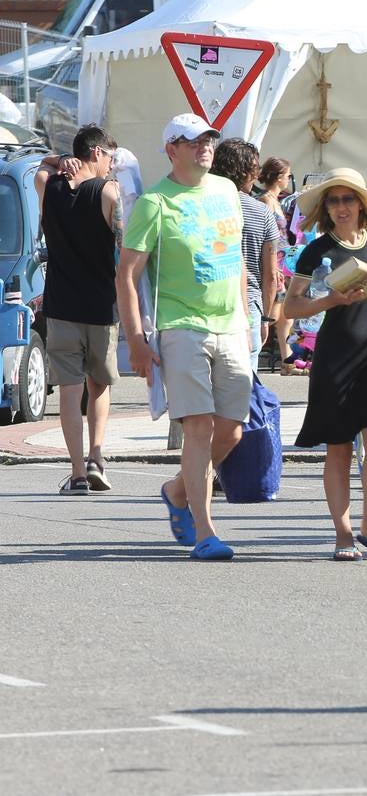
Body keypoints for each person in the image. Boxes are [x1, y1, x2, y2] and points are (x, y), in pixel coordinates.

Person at [116, 114, 250, 561]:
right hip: (180, 326)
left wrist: (251, 317)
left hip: (231, 324)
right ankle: (205, 533)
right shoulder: (154, 202)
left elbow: (236, 258)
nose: (204, 148)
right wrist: (136, 338)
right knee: (199, 427)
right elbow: (127, 275)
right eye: (193, 142)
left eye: (208, 140)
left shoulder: (226, 190)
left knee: (231, 430)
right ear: (172, 149)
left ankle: (177, 490)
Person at [283, 168, 367, 561]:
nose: (340, 207)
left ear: (360, 204)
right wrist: (328, 301)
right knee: (337, 448)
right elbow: (291, 306)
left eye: (347, 199)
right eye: (333, 201)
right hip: (334, 355)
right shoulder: (316, 251)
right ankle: (343, 533)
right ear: (325, 207)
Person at [42, 125, 120, 495]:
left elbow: (41, 164)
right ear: (96, 154)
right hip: (101, 305)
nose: (111, 164)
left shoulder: (48, 186)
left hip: (60, 304)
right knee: (99, 385)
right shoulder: (108, 192)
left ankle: (75, 473)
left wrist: (62, 161)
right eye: (109, 156)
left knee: (70, 392)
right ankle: (96, 458)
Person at [213, 138, 279, 371]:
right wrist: (266, 318)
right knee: (242, 388)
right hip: (249, 306)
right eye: (255, 168)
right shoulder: (262, 213)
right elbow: (270, 276)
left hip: (208, 302)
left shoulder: (205, 204)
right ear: (246, 172)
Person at [254, 157, 299, 368]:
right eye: (288, 175)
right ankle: (256, 343)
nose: (289, 179)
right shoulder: (264, 200)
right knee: (273, 311)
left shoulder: (276, 200)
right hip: (275, 261)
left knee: (285, 314)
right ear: (280, 176)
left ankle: (286, 356)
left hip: (283, 261)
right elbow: (267, 236)